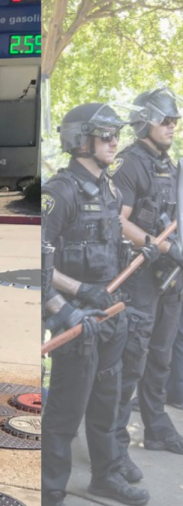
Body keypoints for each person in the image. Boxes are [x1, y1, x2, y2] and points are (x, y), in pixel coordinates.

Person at [40, 103, 150, 506]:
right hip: (76, 322)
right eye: (106, 135)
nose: (114, 142)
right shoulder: (59, 192)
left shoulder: (110, 189)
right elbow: (38, 262)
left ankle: (106, 476)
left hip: (110, 316)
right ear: (80, 140)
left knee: (108, 405)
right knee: (66, 413)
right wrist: (69, 303)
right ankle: (51, 489)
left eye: (116, 135)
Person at [110, 88, 183, 469]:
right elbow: (118, 220)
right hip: (139, 276)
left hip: (168, 279)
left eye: (175, 120)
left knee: (161, 356)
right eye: (165, 120)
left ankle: (156, 426)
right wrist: (162, 247)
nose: (172, 126)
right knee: (132, 359)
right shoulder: (131, 164)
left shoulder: (171, 166)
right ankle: (115, 444)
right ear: (146, 122)